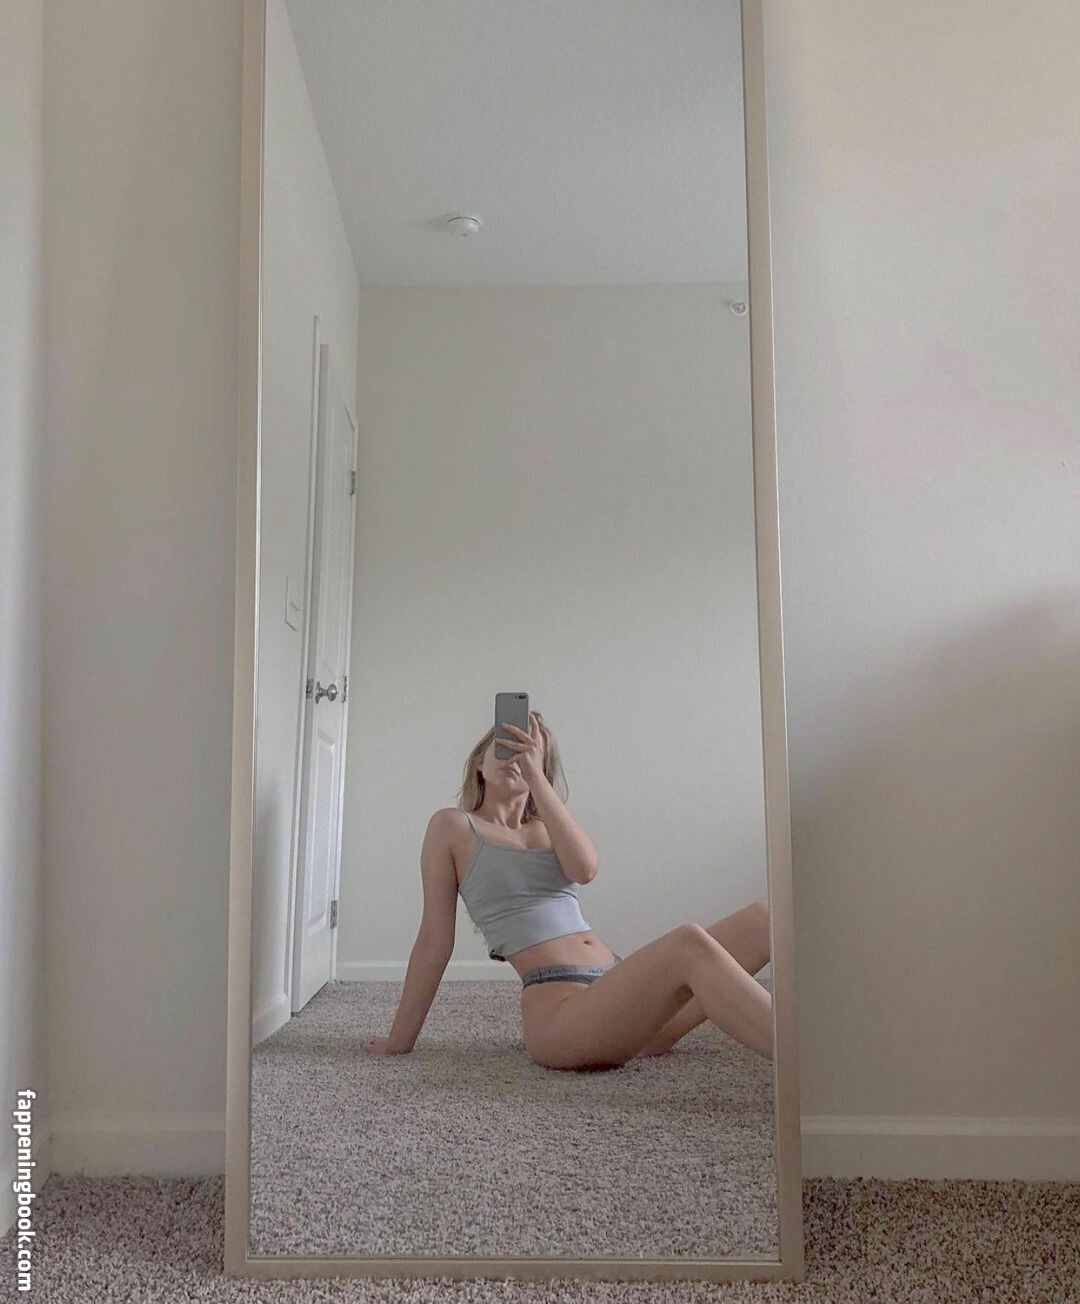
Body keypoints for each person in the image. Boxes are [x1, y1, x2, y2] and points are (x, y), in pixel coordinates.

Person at [364, 711, 772, 1069]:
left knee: (765, 918)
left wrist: (536, 778)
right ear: (478, 763)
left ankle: (804, 1038)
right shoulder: (453, 827)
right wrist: (401, 1040)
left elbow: (585, 868)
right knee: (687, 943)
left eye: (527, 751)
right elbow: (434, 939)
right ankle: (805, 1064)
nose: (514, 756)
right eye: (504, 745)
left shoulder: (547, 829)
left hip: (627, 1001)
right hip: (563, 1014)